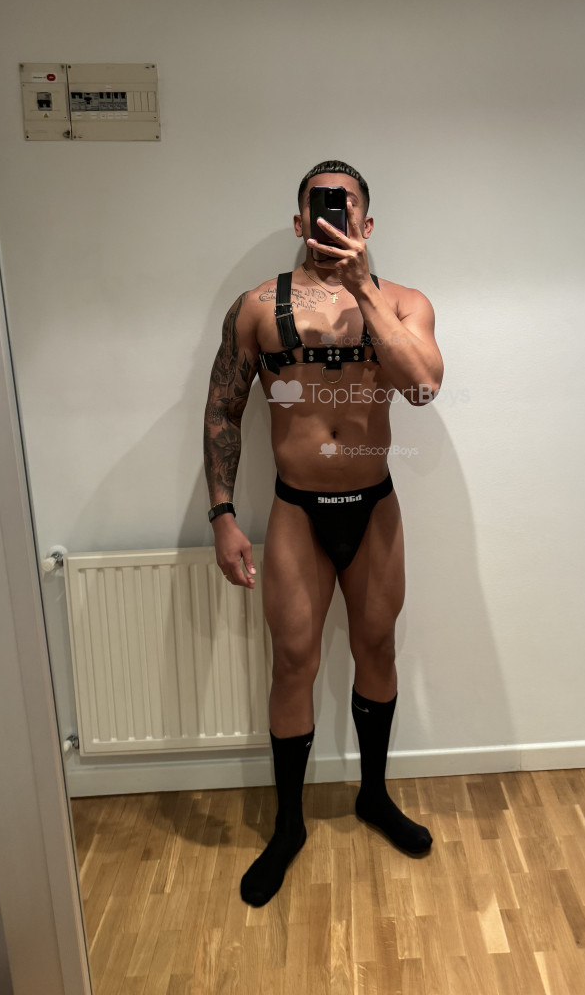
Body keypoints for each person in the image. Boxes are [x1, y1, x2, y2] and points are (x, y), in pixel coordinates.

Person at [203, 159, 444, 907]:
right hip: (298, 513)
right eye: (318, 207)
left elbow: (423, 387)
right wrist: (221, 514)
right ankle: (288, 826)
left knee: (378, 649)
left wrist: (362, 288)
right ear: (301, 221)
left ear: (365, 224)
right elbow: (223, 409)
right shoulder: (256, 308)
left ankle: (373, 794)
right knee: (293, 664)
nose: (331, 218)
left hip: (373, 507)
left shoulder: (402, 303)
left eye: (345, 208)